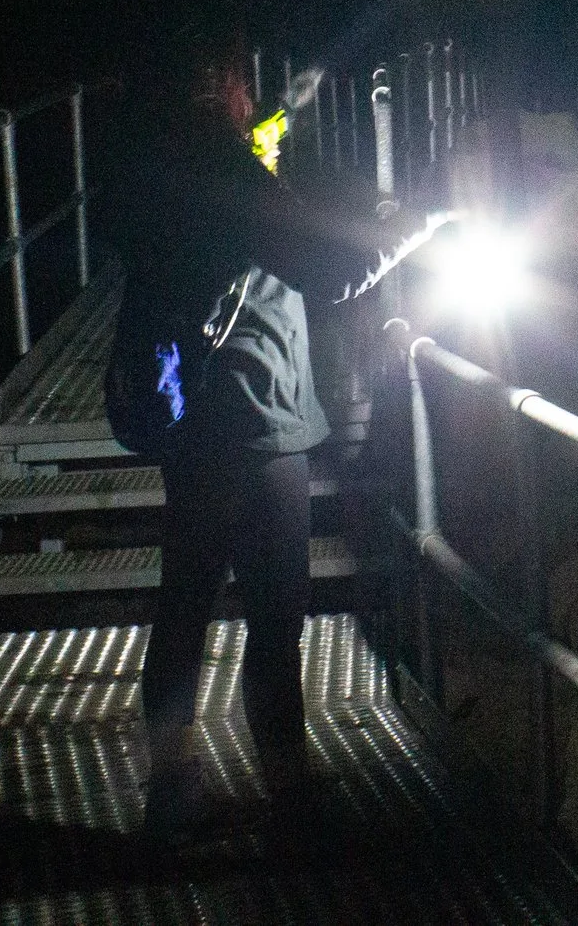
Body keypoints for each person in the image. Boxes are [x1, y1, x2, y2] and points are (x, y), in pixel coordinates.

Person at [101, 53, 437, 838]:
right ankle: (289, 785)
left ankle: (173, 780)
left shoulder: (160, 159)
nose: (252, 91)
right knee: (277, 609)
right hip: (252, 413)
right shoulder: (221, 160)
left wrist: (270, 152)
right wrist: (422, 224)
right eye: (240, 75)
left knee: (183, 600)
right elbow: (331, 267)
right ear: (219, 81)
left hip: (197, 419)